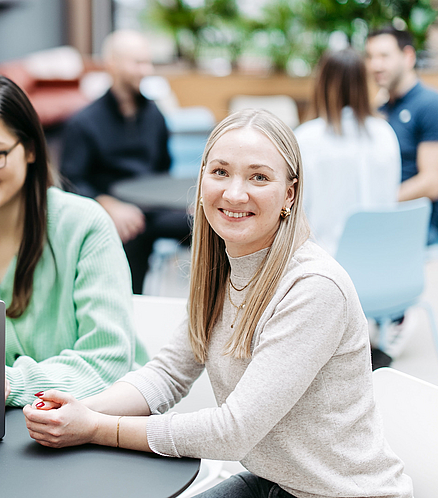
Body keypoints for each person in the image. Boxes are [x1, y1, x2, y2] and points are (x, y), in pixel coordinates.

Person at [23, 109, 412, 498]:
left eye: (259, 177)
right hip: (274, 481)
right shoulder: (219, 270)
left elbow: (233, 431)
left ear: (289, 195)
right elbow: (167, 374)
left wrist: (96, 428)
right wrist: (82, 409)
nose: (234, 193)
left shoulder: (314, 287)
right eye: (220, 172)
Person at [0, 72, 143, 408]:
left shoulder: (84, 225)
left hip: (92, 424)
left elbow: (107, 359)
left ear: (31, 150)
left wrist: (11, 383)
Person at [59, 29, 191, 294]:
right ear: (112, 64)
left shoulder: (154, 114)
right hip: (113, 209)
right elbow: (71, 181)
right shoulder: (84, 122)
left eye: (148, 62)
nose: (146, 70)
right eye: (137, 62)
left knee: (207, 224)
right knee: (129, 231)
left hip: (154, 208)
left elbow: (164, 167)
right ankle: (130, 309)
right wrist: (108, 205)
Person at [296, 48, 401, 256]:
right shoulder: (385, 133)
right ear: (364, 84)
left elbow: (295, 213)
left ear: (321, 84)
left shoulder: (305, 138)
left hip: (325, 264)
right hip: (384, 260)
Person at [366, 27, 438, 244]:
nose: (376, 65)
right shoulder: (383, 106)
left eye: (384, 56)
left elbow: (432, 183)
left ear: (408, 57)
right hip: (384, 213)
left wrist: (375, 201)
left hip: (413, 221)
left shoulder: (431, 105)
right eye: (370, 57)